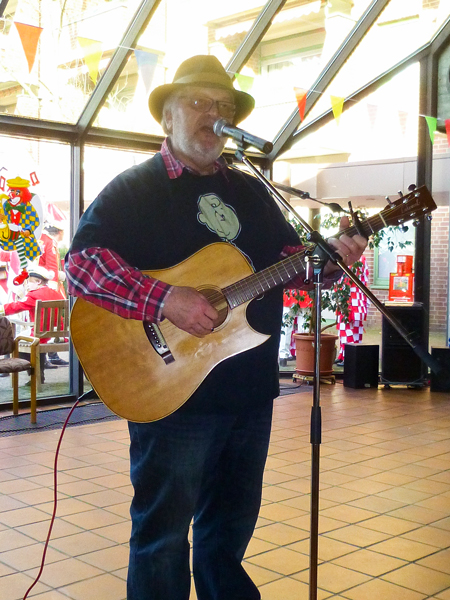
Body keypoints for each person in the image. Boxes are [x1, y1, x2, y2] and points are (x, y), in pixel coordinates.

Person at [66, 55, 367, 600]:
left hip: (249, 392)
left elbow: (289, 263)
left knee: (227, 535)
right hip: (170, 392)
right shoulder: (135, 189)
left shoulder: (252, 191)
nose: (215, 114)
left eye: (224, 106)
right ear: (168, 118)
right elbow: (84, 265)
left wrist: (329, 259)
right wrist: (166, 300)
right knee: (162, 538)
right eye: (200, 102)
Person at [0, 265, 65, 382]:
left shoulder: (34, 295)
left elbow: (16, 306)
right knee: (35, 339)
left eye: (29, 282)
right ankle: (40, 374)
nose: (27, 285)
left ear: (38, 282)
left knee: (18, 345)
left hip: (41, 335)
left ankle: (37, 376)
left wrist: (1, 309)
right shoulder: (56, 293)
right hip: (59, 334)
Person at [38, 222, 68, 366]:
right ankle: (50, 356)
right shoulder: (49, 242)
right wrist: (53, 289)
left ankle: (48, 356)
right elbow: (51, 268)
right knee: (49, 322)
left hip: (37, 285)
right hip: (47, 287)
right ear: (60, 232)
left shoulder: (40, 239)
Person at [334, 255, 369, 366]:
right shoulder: (361, 259)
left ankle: (348, 357)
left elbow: (346, 281)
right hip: (356, 298)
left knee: (347, 328)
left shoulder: (350, 259)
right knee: (351, 328)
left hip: (350, 299)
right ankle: (345, 354)